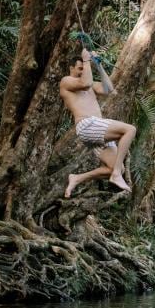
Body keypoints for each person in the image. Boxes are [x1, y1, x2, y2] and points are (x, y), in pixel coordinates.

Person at [60, 47, 136, 197]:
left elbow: (109, 89)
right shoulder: (67, 81)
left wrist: (98, 65)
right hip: (87, 125)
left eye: (84, 68)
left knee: (118, 167)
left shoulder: (89, 84)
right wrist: (87, 60)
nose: (82, 71)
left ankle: (77, 178)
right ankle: (116, 175)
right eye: (79, 68)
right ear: (71, 68)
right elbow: (86, 83)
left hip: (97, 129)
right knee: (130, 130)